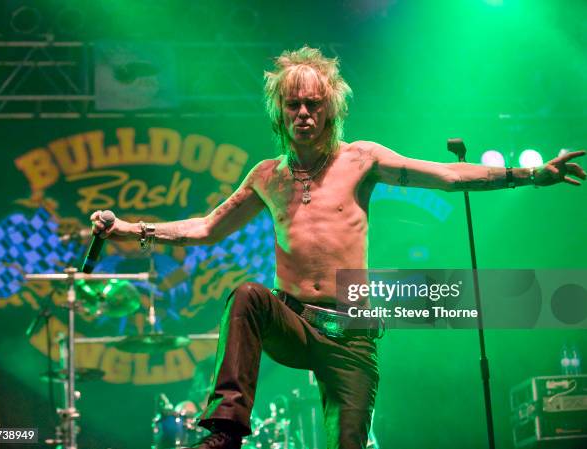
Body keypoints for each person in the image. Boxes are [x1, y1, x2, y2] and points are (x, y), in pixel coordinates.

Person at [91, 46, 585, 449]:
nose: (304, 113)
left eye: (314, 104)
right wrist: (127, 229)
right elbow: (205, 229)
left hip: (352, 332)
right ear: (279, 113)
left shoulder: (360, 160)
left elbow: (451, 176)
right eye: (294, 105)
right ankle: (225, 431)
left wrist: (529, 175)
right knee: (246, 296)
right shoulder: (267, 176)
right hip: (295, 322)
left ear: (331, 108)